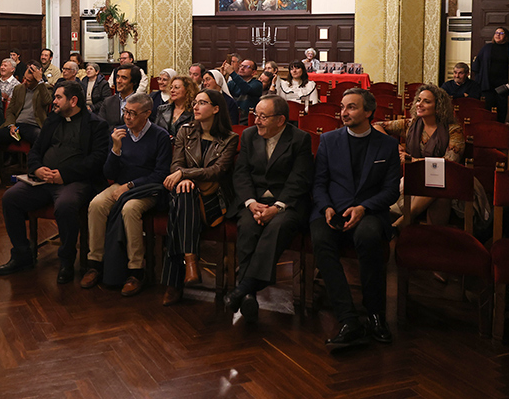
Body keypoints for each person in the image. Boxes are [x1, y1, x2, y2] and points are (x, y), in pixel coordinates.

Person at [310, 88, 400, 350]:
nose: (344, 112)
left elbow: (391, 191)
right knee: (321, 239)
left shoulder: (387, 145)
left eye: (351, 107)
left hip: (369, 210)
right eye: (342, 107)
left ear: (369, 112)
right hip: (332, 209)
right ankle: (348, 319)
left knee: (368, 237)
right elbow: (319, 182)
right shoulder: (329, 140)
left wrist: (363, 207)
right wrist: (326, 207)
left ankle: (375, 315)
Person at [0, 80, 109, 284]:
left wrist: (64, 175)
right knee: (10, 198)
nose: (53, 101)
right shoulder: (52, 120)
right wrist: (37, 169)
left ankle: (66, 261)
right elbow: (36, 150)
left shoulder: (96, 125)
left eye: (58, 97)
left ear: (73, 101)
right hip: (43, 181)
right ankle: (22, 255)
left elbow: (97, 160)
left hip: (75, 181)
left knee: (65, 205)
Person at [223, 95, 313, 321]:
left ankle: (244, 288)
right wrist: (251, 203)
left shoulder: (299, 139)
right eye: (256, 115)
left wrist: (278, 207)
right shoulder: (249, 135)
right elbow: (241, 173)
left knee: (276, 227)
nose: (256, 121)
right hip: (254, 201)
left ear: (280, 120)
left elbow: (299, 179)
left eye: (263, 117)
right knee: (247, 226)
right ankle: (248, 295)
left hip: (287, 203)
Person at [81, 93, 172, 296]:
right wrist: (115, 149)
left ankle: (136, 270)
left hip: (147, 188)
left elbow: (160, 174)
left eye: (132, 113)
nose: (127, 117)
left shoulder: (160, 136)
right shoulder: (119, 133)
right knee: (96, 204)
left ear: (147, 114)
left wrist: (130, 186)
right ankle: (95, 262)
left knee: (130, 209)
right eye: (125, 112)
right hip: (121, 184)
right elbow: (109, 173)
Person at [161, 89, 239, 306]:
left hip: (213, 200)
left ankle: (175, 282)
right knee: (184, 194)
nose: (195, 106)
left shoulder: (229, 138)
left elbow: (217, 171)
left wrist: (185, 175)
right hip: (185, 194)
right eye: (195, 102)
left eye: (202, 103)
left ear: (216, 109)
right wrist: (183, 177)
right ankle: (190, 262)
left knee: (179, 208)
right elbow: (176, 164)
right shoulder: (185, 131)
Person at [372, 84, 464, 230]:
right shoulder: (411, 125)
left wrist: (413, 161)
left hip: (448, 178)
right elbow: (376, 126)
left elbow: (449, 163)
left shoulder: (453, 130)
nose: (419, 104)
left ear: (438, 107)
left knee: (440, 189)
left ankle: (407, 220)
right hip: (417, 177)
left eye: (426, 101)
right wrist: (394, 146)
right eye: (419, 100)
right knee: (438, 194)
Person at [0, 61, 51, 150]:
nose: (25, 82)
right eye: (24, 78)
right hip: (17, 124)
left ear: (36, 81)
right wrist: (11, 125)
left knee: (40, 137)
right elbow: (10, 110)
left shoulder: (45, 89)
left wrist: (40, 82)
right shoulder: (19, 88)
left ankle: (34, 158)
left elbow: (47, 101)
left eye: (29, 81)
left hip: (33, 125)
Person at [472, 27, 509, 122]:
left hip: (503, 85)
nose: (498, 35)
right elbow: (477, 64)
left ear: (506, 36)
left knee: (502, 110)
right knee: (487, 111)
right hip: (488, 86)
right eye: (496, 32)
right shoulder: (487, 47)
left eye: (501, 33)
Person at [154, 75, 197, 140]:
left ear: (187, 90)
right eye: (171, 87)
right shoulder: (162, 109)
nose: (172, 90)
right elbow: (155, 132)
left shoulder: (194, 111)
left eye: (176, 87)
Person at [100, 64, 141, 130]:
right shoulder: (108, 102)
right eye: (118, 77)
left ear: (134, 82)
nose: (118, 81)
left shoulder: (140, 103)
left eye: (124, 78)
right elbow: (100, 127)